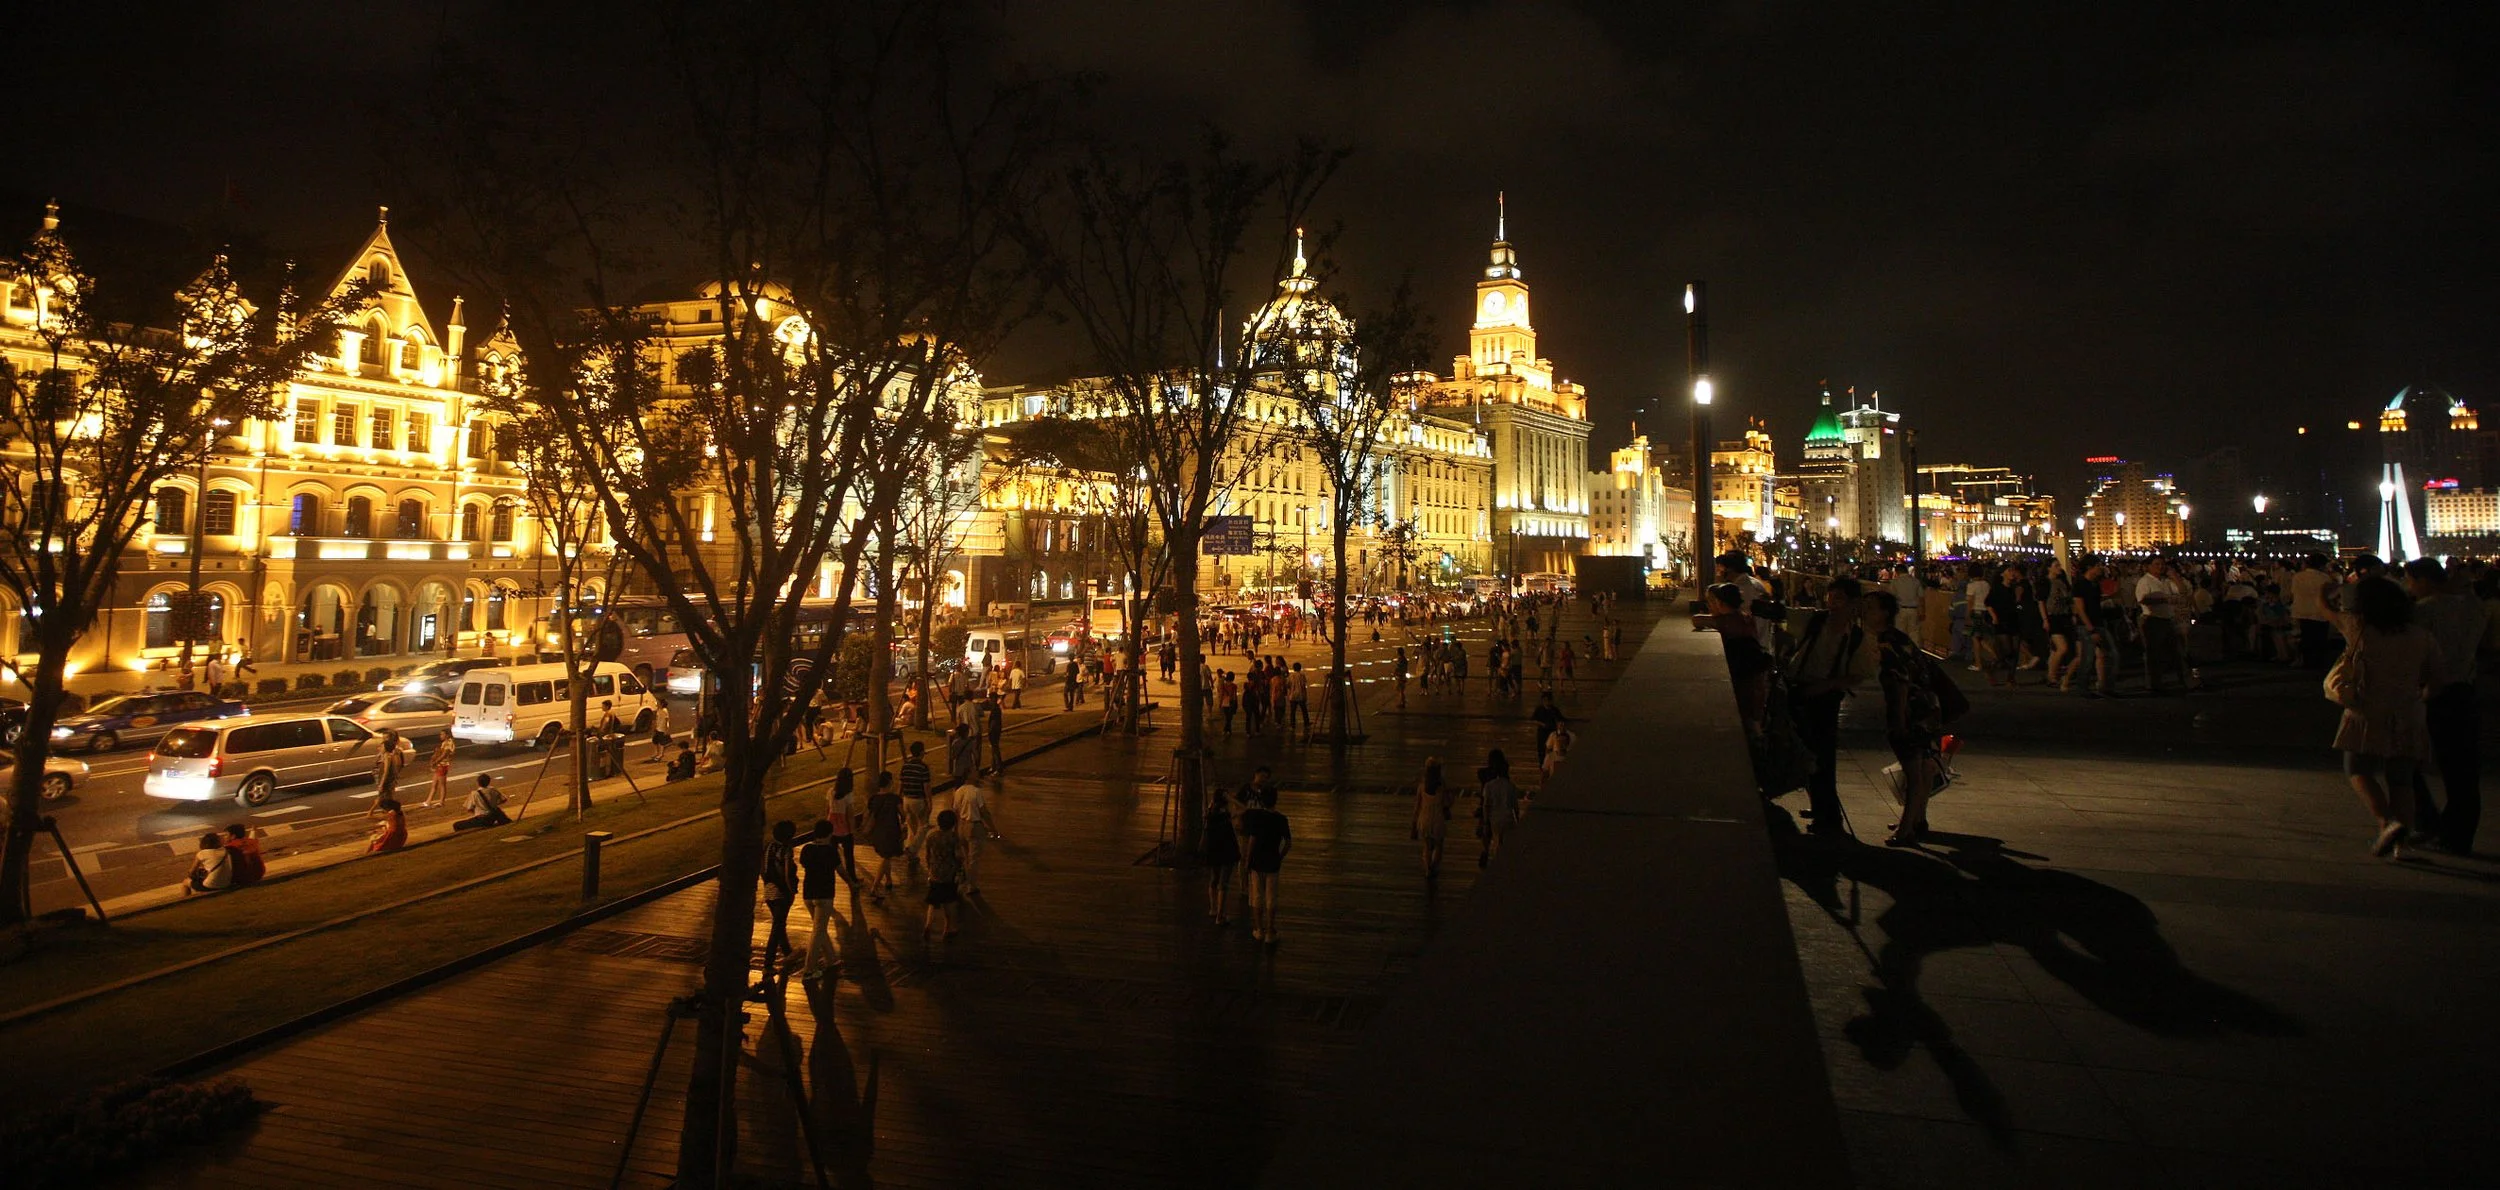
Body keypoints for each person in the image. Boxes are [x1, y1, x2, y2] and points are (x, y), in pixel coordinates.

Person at [2330, 576, 2441, 859]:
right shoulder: (2421, 636)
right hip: (2409, 711)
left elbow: (2327, 612)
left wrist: (2325, 590)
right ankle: (2401, 844)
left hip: (2367, 711)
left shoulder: (2360, 631)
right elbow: (2436, 678)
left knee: (2357, 768)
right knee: (2401, 778)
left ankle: (2386, 823)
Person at [1782, 576, 1875, 832]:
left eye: (1840, 599)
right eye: (1830, 598)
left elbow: (1859, 674)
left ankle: (1829, 816)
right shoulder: (1815, 621)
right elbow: (1786, 616)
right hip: (1800, 689)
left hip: (1825, 697)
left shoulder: (1856, 636)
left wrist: (1829, 685)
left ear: (1853, 603)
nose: (1833, 604)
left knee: (1822, 756)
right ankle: (1820, 807)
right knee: (1804, 753)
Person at [2405, 558, 2483, 853]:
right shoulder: (2473, 607)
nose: (2409, 587)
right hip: (2464, 690)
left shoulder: (2423, 612)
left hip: (2431, 692)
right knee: (2462, 770)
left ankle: (2428, 822)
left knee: (2404, 759)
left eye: (2410, 581)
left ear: (2421, 579)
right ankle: (2459, 836)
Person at [1864, 591, 1944, 846]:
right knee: (1923, 766)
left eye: (1870, 608)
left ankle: (1906, 828)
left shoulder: (1887, 643)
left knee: (1913, 770)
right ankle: (1917, 818)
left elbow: (1899, 683)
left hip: (1911, 711)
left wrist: (1898, 720)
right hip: (1928, 707)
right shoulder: (1900, 638)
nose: (1865, 613)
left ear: (1884, 613)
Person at [1236, 774, 1291, 944]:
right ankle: (1270, 930)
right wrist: (1280, 856)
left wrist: (1247, 860)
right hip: (1272, 862)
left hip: (1257, 862)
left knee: (1256, 897)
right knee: (1271, 898)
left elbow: (1252, 840)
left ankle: (1258, 929)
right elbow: (1288, 843)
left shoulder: (1258, 818)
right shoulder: (1281, 819)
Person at [2136, 557, 2195, 694]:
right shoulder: (2145, 581)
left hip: (2168, 619)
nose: (2160, 567)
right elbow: (2143, 599)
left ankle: (2186, 681)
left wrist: (2174, 576)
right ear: (2148, 566)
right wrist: (2165, 599)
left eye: (2162, 564)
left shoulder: (2165, 581)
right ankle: (2155, 684)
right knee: (2154, 655)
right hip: (2153, 619)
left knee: (2178, 652)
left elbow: (2183, 591)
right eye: (2156, 564)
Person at [796, 819, 845, 980]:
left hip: (808, 894)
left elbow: (804, 864)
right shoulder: (830, 851)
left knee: (820, 928)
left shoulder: (807, 849)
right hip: (824, 895)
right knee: (818, 931)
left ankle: (832, 959)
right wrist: (852, 883)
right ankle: (809, 969)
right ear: (830, 834)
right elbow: (840, 870)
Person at [920, 809, 967, 940]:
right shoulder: (953, 838)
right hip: (949, 873)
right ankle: (949, 927)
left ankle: (928, 925)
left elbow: (928, 854)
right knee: (950, 900)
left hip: (935, 872)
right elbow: (959, 856)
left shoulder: (931, 836)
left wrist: (930, 867)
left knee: (933, 900)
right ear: (953, 824)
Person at [761, 820, 799, 978]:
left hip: (769, 890)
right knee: (777, 926)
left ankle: (788, 952)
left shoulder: (769, 847)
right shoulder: (785, 850)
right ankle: (768, 964)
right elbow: (787, 873)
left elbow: (763, 868)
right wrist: (791, 891)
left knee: (779, 922)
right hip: (781, 893)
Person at [2289, 554, 2337, 670]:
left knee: (2306, 638)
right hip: (2319, 612)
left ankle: (2307, 662)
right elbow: (2330, 596)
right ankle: (2318, 663)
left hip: (2301, 611)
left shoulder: (2298, 577)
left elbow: (2293, 592)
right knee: (2319, 639)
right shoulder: (2324, 578)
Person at [1475, 749, 1520, 866]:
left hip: (1490, 811)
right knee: (1502, 840)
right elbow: (1515, 804)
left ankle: (1486, 850)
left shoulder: (1485, 777)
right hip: (1505, 814)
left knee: (1488, 834)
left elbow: (1485, 803)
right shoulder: (1508, 782)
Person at [865, 771, 905, 902]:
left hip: (878, 832)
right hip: (891, 831)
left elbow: (869, 815)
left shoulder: (874, 799)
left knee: (885, 856)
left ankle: (888, 880)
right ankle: (875, 886)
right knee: (886, 858)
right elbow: (903, 814)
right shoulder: (894, 799)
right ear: (890, 782)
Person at [1203, 789, 1241, 924]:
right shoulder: (1228, 814)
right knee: (1223, 882)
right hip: (1227, 849)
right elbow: (1244, 809)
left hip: (1213, 849)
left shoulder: (1209, 813)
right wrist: (1232, 800)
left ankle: (1213, 909)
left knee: (1214, 879)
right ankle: (1221, 914)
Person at [1413, 757, 1452, 880]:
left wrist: (1413, 824)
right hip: (1437, 819)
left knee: (1427, 846)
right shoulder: (1441, 788)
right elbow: (1447, 803)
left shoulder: (1422, 787)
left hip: (1424, 818)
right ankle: (1434, 867)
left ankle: (1427, 868)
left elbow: (1417, 807)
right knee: (1439, 846)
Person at [898, 740, 933, 864]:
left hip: (906, 799)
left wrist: (900, 798)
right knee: (923, 826)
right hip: (918, 799)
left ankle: (911, 852)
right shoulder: (923, 767)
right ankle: (912, 849)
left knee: (911, 827)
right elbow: (926, 787)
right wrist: (929, 802)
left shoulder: (905, 766)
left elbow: (901, 784)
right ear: (921, 752)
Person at [371, 729, 407, 800]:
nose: (384, 740)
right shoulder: (384, 748)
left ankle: (391, 808)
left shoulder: (394, 751)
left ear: (391, 738)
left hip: (389, 776)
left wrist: (394, 775)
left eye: (386, 738)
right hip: (381, 773)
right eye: (383, 738)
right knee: (384, 794)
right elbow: (377, 759)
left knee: (387, 794)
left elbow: (397, 765)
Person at [422, 733, 456, 808]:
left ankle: (441, 802)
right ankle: (428, 801)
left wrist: (435, 762)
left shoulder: (448, 743)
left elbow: (444, 755)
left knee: (442, 785)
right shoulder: (445, 743)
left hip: (443, 765)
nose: (441, 736)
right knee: (434, 784)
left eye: (442, 734)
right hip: (440, 765)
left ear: (447, 735)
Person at [983, 692, 1006, 771]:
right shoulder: (996, 708)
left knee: (995, 749)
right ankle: (993, 766)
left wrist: (990, 730)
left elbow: (994, 722)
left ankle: (998, 767)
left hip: (994, 731)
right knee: (994, 749)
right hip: (996, 730)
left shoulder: (995, 709)